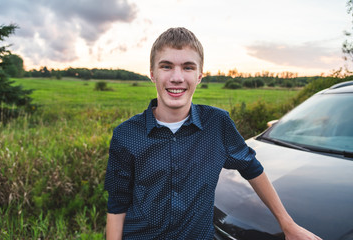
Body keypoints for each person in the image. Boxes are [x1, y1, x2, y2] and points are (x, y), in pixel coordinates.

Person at [104, 27, 322, 240]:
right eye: (166, 66)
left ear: (200, 76)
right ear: (152, 74)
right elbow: (117, 204)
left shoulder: (217, 124)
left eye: (188, 67)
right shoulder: (127, 134)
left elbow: (252, 168)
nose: (177, 77)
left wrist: (288, 224)